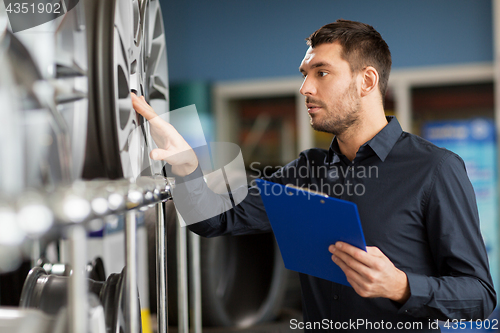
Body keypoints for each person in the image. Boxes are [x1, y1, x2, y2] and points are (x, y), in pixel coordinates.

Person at [132, 19, 496, 332]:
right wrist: (185, 167)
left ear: (366, 81)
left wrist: (401, 285)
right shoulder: (307, 170)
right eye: (305, 75)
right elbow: (215, 218)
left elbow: (480, 295)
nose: (306, 88)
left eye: (321, 73)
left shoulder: (435, 169)